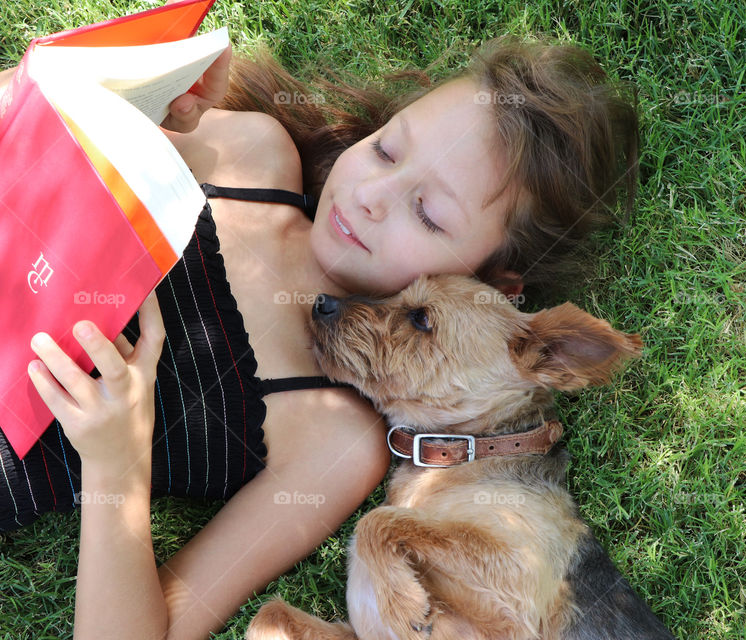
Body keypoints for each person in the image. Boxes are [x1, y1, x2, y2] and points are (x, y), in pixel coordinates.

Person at [0, 29, 638, 639]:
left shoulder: (333, 437)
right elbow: (24, 122)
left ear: (492, 290)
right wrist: (125, 104)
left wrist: (116, 462)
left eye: (429, 214)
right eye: (388, 148)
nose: (371, 194)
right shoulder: (250, 154)